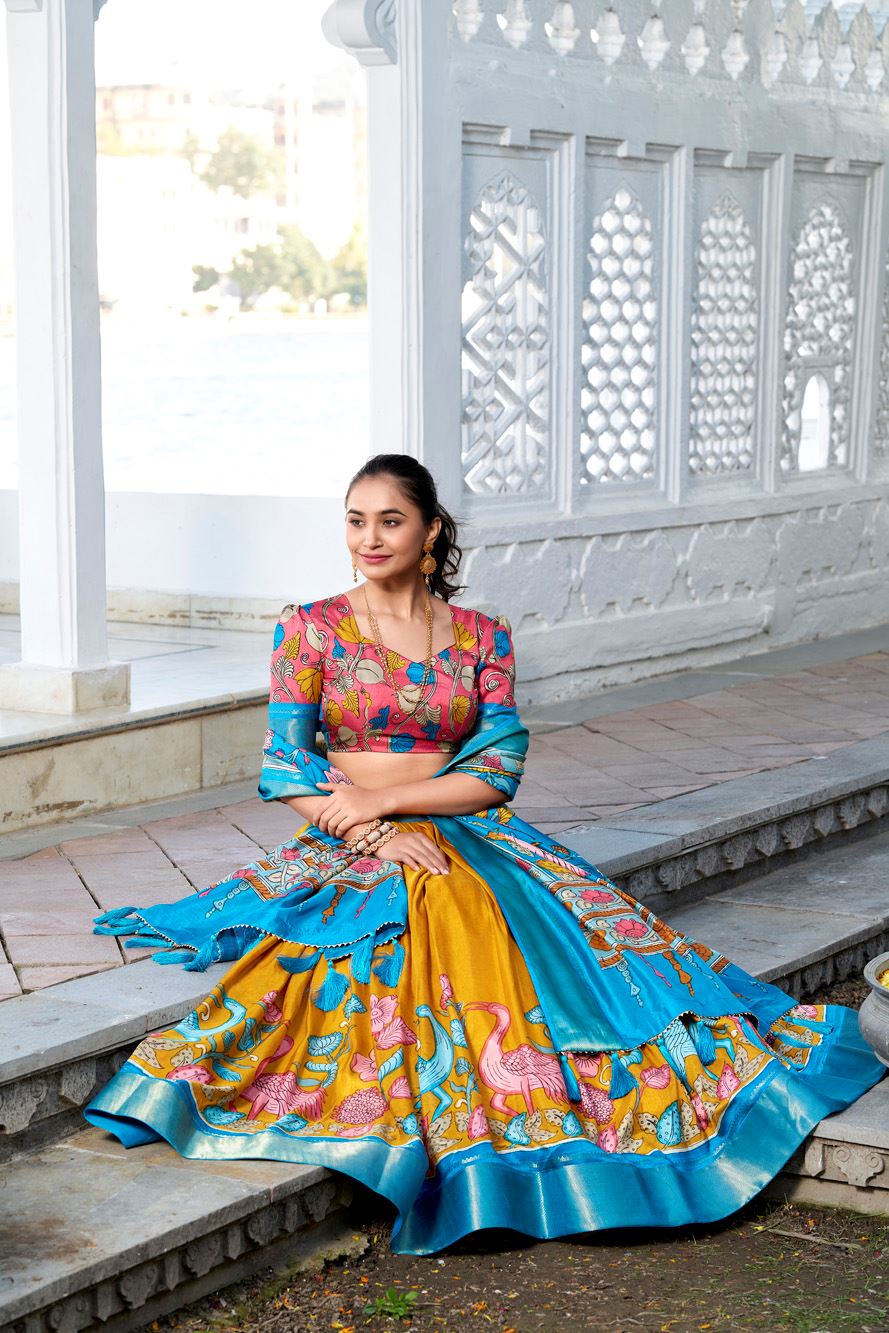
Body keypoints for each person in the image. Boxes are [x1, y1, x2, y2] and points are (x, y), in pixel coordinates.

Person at [85, 453, 884, 1256]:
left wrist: (390, 801)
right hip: (348, 837)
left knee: (599, 960)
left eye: (389, 520)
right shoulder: (311, 627)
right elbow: (283, 765)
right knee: (393, 937)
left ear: (430, 530)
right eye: (355, 520)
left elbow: (496, 770)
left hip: (470, 833)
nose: (369, 537)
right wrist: (367, 831)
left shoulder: (480, 637)